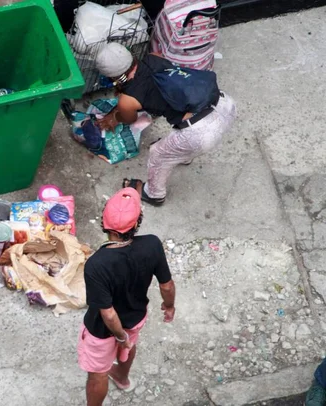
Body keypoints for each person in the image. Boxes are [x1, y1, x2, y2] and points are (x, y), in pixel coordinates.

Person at [95, 43, 237, 206]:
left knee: (158, 154)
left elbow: (129, 119)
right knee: (179, 144)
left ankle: (154, 194)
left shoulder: (127, 100)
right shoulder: (154, 57)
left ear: (112, 77)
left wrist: (115, 116)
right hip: (225, 104)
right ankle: (183, 156)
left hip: (201, 133)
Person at [77, 187, 176, 406]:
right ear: (136, 223)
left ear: (104, 221)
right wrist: (169, 307)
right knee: (129, 346)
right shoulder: (151, 244)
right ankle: (122, 378)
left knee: (98, 373)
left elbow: (109, 315)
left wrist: (120, 336)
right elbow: (166, 285)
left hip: (102, 330)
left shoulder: (97, 264)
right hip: (136, 317)